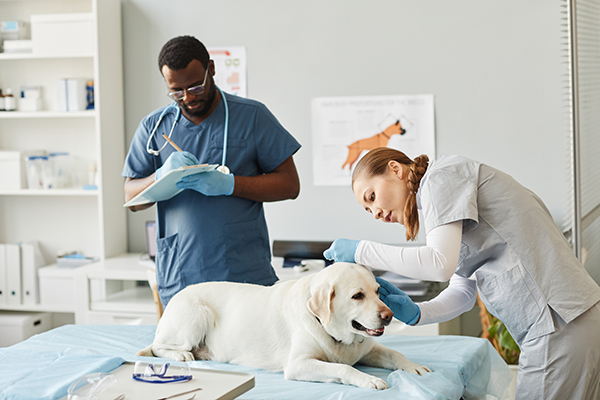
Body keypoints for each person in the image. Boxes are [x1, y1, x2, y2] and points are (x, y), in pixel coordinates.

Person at [323, 147, 600, 399]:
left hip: (559, 322)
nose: (375, 213)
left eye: (371, 197)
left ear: (395, 169)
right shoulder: (448, 209)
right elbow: (463, 292)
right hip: (569, 321)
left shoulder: (441, 179)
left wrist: (361, 251)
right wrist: (418, 312)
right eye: (368, 210)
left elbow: (438, 264)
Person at [122, 36, 301, 307]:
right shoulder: (154, 127)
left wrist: (231, 184)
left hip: (243, 276)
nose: (188, 97)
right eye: (177, 91)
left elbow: (290, 185)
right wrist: (159, 178)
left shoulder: (252, 116)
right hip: (181, 274)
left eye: (195, 86)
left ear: (212, 69)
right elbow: (131, 199)